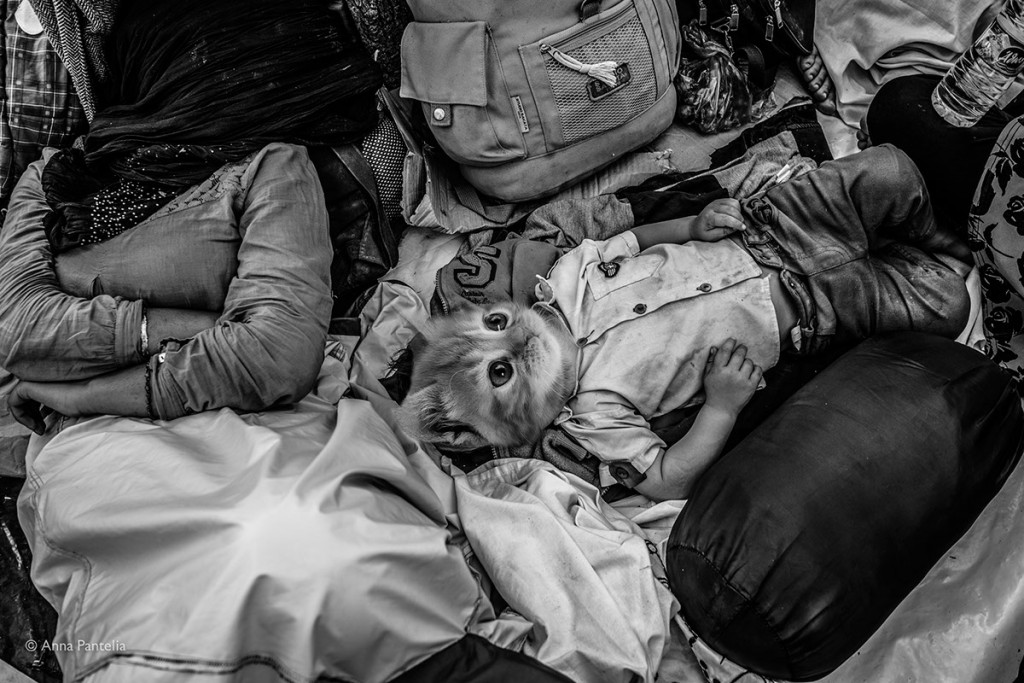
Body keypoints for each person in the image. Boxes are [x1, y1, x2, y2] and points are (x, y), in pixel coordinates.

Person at [399, 144, 973, 501]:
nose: (519, 338)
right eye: (500, 372)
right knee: (948, 304)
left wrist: (692, 227)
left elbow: (634, 238)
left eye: (496, 321)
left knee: (890, 170)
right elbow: (673, 479)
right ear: (489, 432)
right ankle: (951, 257)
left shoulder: (568, 277)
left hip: (772, 229)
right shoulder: (594, 419)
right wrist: (722, 405)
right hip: (811, 307)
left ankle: (940, 237)